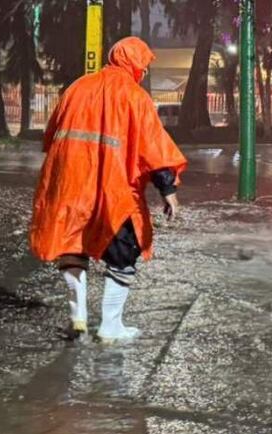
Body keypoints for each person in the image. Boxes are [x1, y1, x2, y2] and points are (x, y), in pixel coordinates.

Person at [31, 36, 187, 343]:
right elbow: (153, 148)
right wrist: (168, 189)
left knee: (72, 245)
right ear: (135, 64)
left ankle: (77, 318)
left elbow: (50, 137)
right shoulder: (135, 96)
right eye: (143, 65)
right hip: (113, 189)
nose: (144, 71)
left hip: (70, 184)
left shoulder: (77, 88)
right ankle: (110, 326)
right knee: (122, 253)